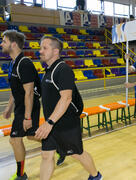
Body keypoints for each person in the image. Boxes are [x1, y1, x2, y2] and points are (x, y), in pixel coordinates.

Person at [35, 36, 102, 180]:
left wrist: (49, 123)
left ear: (55, 51)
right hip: (52, 122)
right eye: (40, 48)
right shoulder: (49, 70)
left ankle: (96, 176)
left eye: (44, 48)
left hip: (65, 123)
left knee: (76, 153)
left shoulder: (63, 69)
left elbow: (66, 98)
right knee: (46, 155)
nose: (40, 51)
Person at [1, 30, 41, 180]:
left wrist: (27, 117)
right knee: (31, 136)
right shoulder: (13, 64)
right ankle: (55, 144)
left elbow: (29, 93)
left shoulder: (24, 64)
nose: (1, 44)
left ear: (13, 44)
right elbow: (15, 90)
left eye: (4, 41)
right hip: (21, 106)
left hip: (28, 106)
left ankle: (21, 175)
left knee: (15, 139)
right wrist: (9, 107)